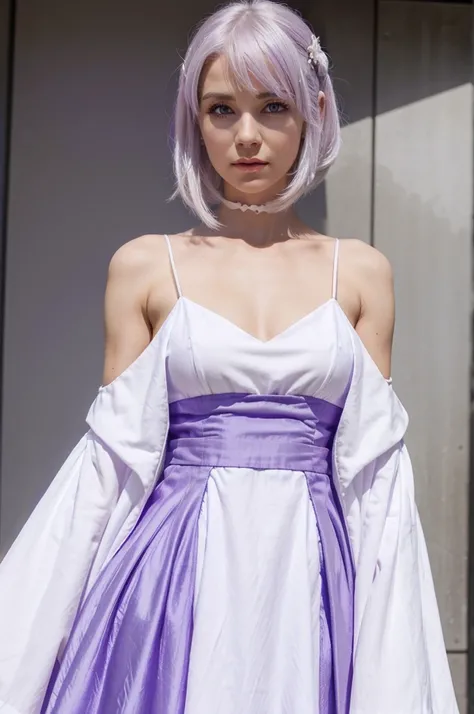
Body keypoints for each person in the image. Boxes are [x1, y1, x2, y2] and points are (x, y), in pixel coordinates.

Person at [0, 1, 459, 713]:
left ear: (314, 110)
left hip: (313, 583)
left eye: (271, 106)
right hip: (168, 581)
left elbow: (377, 482)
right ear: (194, 119)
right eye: (221, 110)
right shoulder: (145, 267)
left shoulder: (363, 273)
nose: (247, 136)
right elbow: (111, 466)